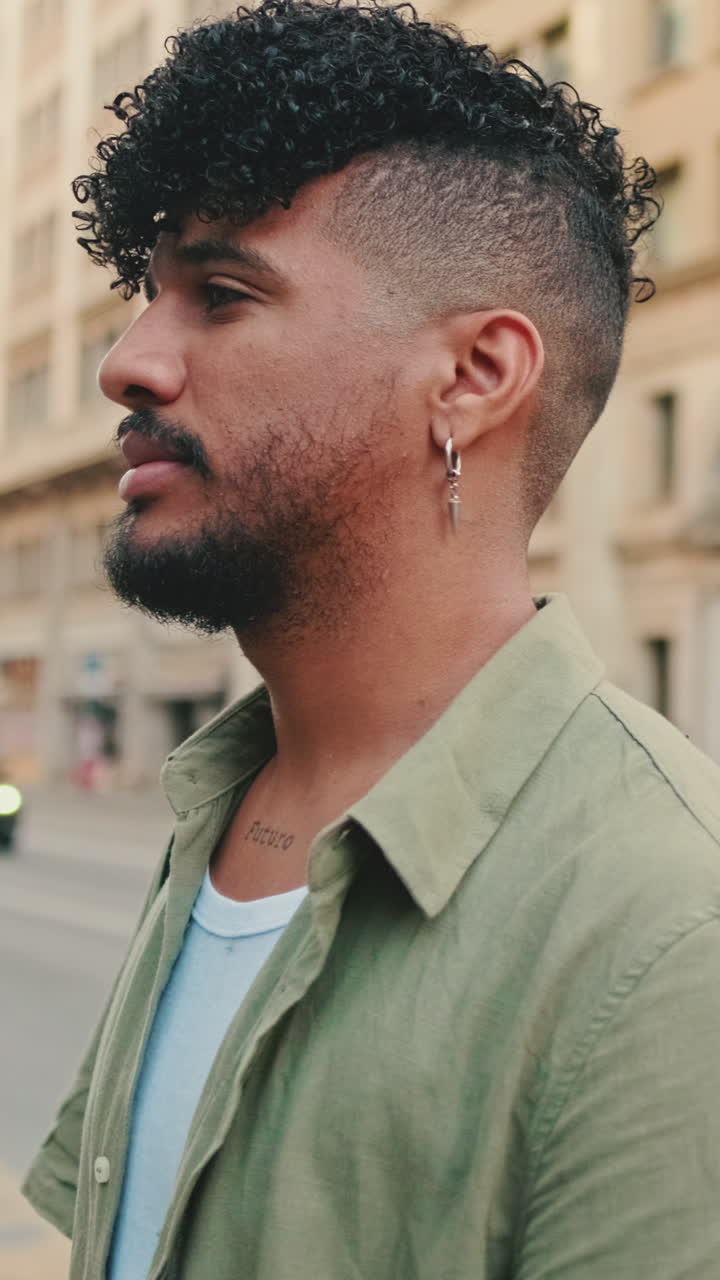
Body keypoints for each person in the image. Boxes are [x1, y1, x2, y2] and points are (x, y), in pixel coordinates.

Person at [23, 2, 720, 1277]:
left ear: (472, 376)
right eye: (145, 299)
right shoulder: (224, 809)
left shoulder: (673, 937)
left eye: (221, 296)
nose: (130, 363)